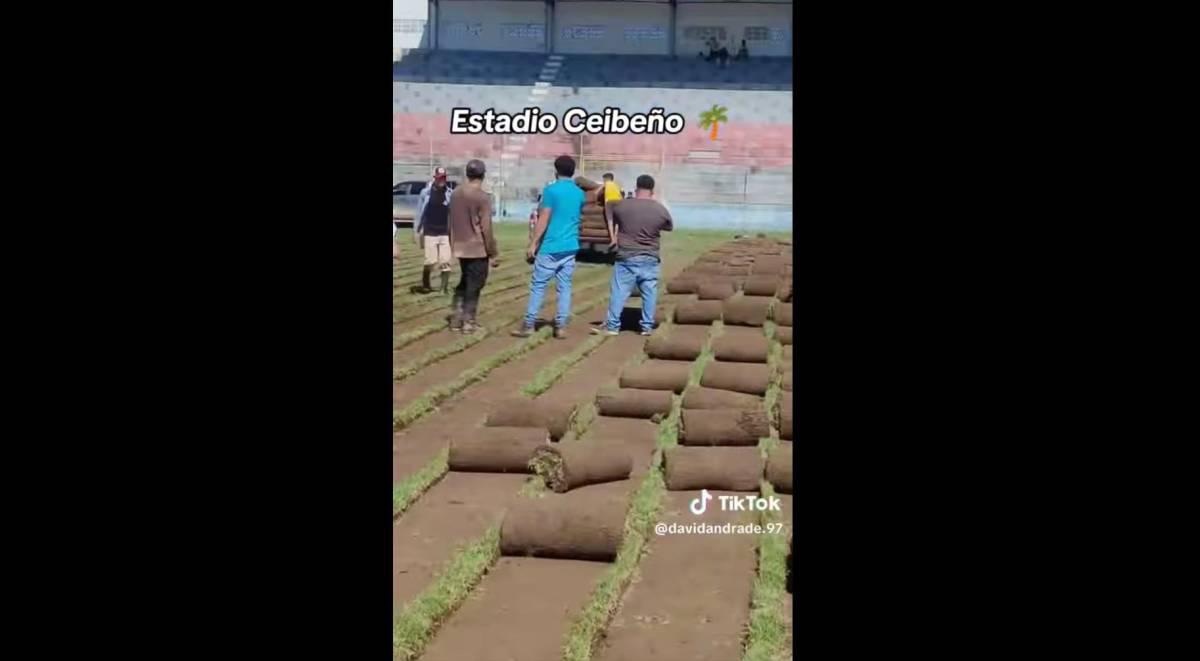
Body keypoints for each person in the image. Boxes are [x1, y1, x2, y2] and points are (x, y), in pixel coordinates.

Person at [512, 155, 584, 340]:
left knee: (538, 286)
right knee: (565, 287)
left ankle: (528, 325)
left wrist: (533, 243)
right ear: (573, 171)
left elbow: (544, 218)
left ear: (556, 170)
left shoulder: (551, 191)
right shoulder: (579, 193)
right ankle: (560, 326)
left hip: (551, 246)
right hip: (570, 246)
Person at [593, 174, 673, 336]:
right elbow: (669, 226)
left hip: (626, 257)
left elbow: (608, 207)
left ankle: (613, 326)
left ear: (636, 188)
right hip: (650, 257)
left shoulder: (623, 206)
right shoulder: (660, 209)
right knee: (649, 293)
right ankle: (646, 327)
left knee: (619, 292)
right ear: (652, 191)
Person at [447, 160, 499, 334]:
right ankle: (468, 321)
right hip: (477, 247)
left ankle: (456, 318)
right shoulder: (482, 197)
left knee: (465, 280)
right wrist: (493, 252)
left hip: (460, 246)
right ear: (483, 175)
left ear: (467, 174)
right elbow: (486, 228)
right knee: (475, 284)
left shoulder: (455, 194)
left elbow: (451, 222)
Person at [414, 167, 454, 294]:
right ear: (435, 178)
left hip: (444, 232)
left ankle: (444, 288)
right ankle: (426, 284)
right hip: (430, 231)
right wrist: (416, 230)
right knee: (430, 261)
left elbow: (453, 213)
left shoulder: (450, 193)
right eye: (439, 178)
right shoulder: (425, 193)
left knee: (446, 261)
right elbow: (419, 213)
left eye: (444, 178)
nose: (442, 180)